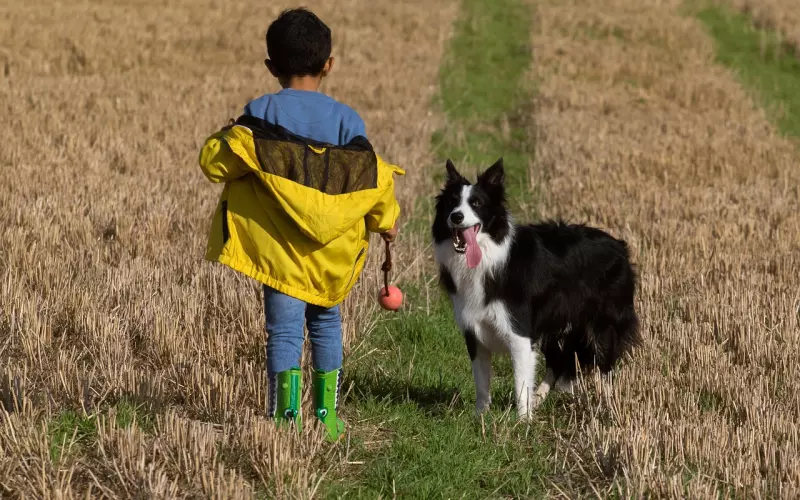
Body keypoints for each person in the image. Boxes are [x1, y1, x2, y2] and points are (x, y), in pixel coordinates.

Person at [197, 8, 402, 441]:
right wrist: (387, 222)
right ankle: (326, 416)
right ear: (329, 65)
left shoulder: (259, 113)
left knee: (284, 332)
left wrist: (224, 136)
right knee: (327, 324)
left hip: (280, 256)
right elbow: (370, 178)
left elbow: (216, 166)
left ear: (271, 67)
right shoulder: (349, 122)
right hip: (331, 259)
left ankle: (285, 420)